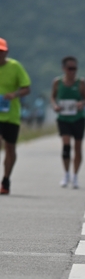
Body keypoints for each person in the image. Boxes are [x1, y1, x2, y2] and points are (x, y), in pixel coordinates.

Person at [51, 56, 85, 189]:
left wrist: (82, 103)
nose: (72, 71)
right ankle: (66, 173)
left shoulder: (81, 82)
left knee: (78, 147)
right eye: (70, 68)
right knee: (66, 146)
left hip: (78, 118)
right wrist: (55, 106)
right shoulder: (57, 82)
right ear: (64, 69)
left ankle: (75, 175)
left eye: (75, 68)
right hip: (64, 118)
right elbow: (53, 97)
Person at [0, 38, 31, 195]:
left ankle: (6, 180)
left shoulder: (15, 66)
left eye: (1, 51)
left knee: (10, 148)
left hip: (11, 115)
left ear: (6, 52)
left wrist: (14, 94)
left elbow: (26, 88)